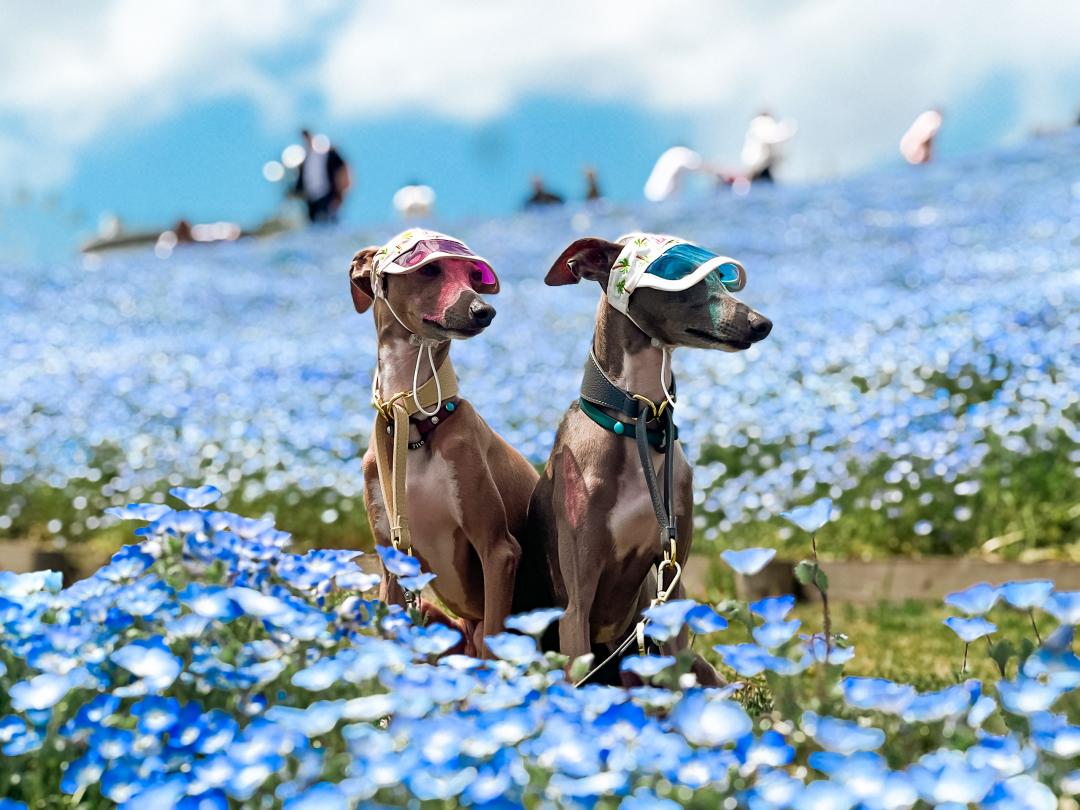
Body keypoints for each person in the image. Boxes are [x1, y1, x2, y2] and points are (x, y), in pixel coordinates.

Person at [293, 129, 351, 222]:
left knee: (330, 221)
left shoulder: (328, 154)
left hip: (327, 193)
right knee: (314, 224)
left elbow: (342, 169)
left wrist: (341, 190)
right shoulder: (305, 160)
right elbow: (301, 179)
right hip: (311, 196)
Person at [741, 110, 797, 183]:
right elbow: (772, 137)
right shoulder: (761, 124)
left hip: (758, 166)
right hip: (758, 167)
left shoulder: (756, 126)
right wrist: (788, 131)